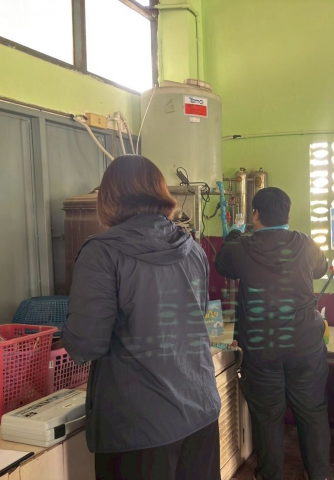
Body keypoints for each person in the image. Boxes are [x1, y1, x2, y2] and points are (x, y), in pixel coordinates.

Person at [62, 155, 222, 480]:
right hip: (200, 409)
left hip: (139, 427)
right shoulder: (192, 247)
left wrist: (65, 328)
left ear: (109, 198)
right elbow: (202, 319)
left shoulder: (102, 251)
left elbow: (85, 345)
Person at [215, 187, 331, 480]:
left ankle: (270, 476)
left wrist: (234, 233)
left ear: (255, 215)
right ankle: (320, 475)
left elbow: (222, 263)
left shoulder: (242, 247)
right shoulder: (305, 242)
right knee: (312, 411)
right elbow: (321, 269)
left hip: (261, 348)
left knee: (268, 417)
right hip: (305, 344)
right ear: (287, 215)